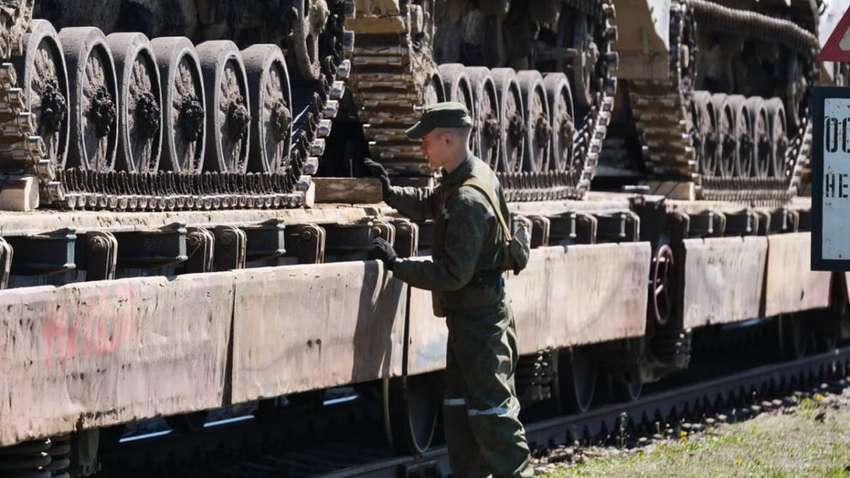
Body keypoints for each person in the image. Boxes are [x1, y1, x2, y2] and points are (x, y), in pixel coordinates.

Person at [364, 101, 533, 477]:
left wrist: (396, 265)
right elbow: (434, 204)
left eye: (425, 141)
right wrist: (391, 194)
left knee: (493, 415)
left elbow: (452, 274)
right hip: (470, 317)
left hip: (481, 323)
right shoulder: (467, 177)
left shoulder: (469, 200)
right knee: (459, 411)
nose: (421, 148)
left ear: (448, 139)